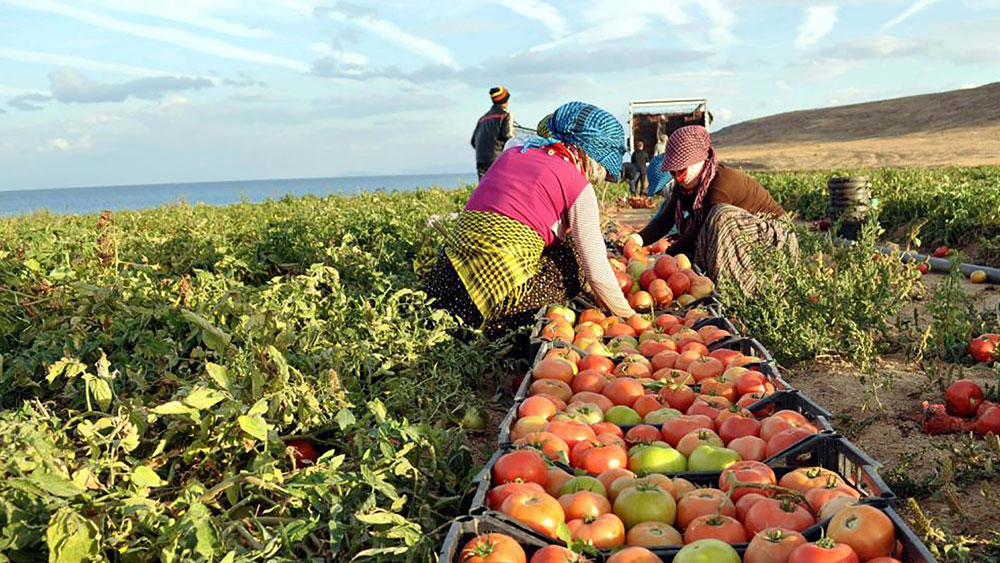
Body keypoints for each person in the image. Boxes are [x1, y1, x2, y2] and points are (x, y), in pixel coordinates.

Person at [427, 101, 636, 337]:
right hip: (492, 299)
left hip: (445, 283)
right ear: (591, 154)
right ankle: (502, 325)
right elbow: (595, 270)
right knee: (575, 261)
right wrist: (629, 317)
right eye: (602, 168)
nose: (598, 179)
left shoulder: (512, 155)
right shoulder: (576, 183)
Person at [631, 125, 797, 293]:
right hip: (742, 234)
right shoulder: (684, 187)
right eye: (673, 172)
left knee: (719, 215)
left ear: (699, 161)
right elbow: (665, 220)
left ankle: (737, 288)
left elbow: (700, 227)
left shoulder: (721, 183)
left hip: (771, 238)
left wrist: (666, 257)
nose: (677, 176)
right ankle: (704, 281)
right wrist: (637, 240)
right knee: (695, 224)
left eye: (681, 169)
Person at [471, 86, 514, 180]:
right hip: (497, 160)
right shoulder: (505, 115)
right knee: (500, 186)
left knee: (484, 187)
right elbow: (508, 136)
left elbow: (473, 142)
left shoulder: (482, 119)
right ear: (505, 100)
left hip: (481, 161)